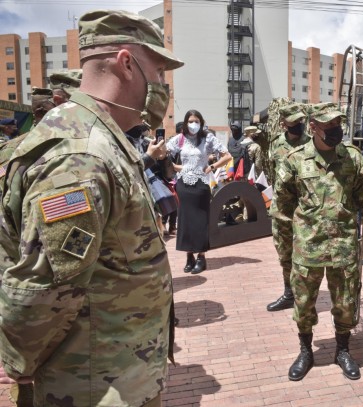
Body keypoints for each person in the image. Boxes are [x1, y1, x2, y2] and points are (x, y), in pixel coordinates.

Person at [0, 9, 184, 406]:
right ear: (126, 62)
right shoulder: (81, 154)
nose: (162, 83)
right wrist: (20, 364)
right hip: (94, 385)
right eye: (158, 70)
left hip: (117, 372)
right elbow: (45, 288)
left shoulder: (100, 136)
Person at [274, 102, 363, 381]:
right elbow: (284, 202)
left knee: (345, 301)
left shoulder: (353, 158)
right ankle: (306, 351)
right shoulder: (294, 160)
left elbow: (361, 195)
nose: (335, 130)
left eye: (337, 124)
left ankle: (342, 350)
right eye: (328, 126)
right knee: (303, 303)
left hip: (343, 244)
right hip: (308, 245)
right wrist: (300, 234)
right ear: (313, 127)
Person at [166, 109, 232, 274]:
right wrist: (173, 167)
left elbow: (227, 156)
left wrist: (211, 167)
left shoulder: (207, 138)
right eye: (190, 121)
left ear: (201, 122)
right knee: (186, 221)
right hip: (184, 184)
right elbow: (164, 153)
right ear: (185, 123)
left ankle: (201, 257)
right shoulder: (180, 139)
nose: (193, 124)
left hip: (201, 185)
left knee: (200, 221)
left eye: (196, 121)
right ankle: (189, 256)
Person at [266, 103, 311, 312]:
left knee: (306, 253)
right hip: (281, 210)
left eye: (300, 121)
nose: (298, 125)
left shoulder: (311, 144)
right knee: (285, 254)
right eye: (294, 121)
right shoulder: (276, 144)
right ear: (283, 123)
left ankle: (305, 293)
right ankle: (289, 293)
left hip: (305, 211)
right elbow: (272, 174)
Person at [162, 121, 183, 236]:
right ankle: (164, 224)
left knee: (176, 201)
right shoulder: (174, 142)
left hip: (178, 176)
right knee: (168, 200)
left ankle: (172, 226)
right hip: (168, 176)